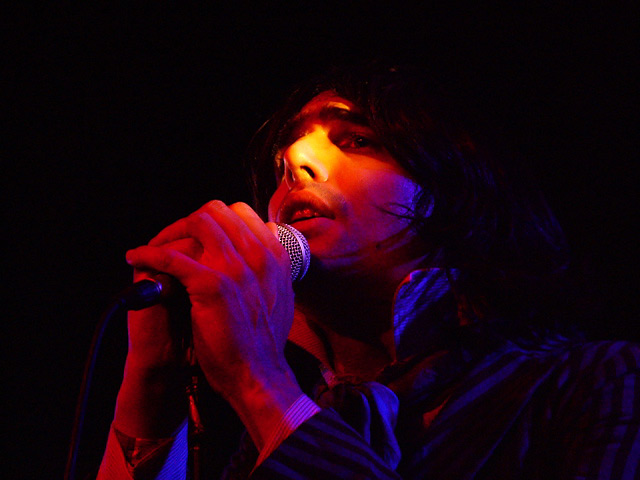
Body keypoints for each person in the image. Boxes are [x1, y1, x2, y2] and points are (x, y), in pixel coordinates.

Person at [98, 64, 639, 479]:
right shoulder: (269, 435)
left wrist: (260, 385)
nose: (297, 160)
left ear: (454, 194)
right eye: (283, 162)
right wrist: (151, 380)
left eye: (356, 140)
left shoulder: (603, 382)